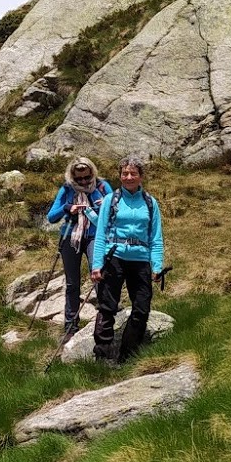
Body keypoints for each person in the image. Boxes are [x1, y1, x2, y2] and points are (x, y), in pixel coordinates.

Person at [90, 156, 165, 364]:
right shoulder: (110, 200)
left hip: (140, 260)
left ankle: (127, 355)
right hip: (114, 258)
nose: (129, 177)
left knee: (141, 308)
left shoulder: (150, 203)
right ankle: (102, 354)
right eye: (124, 173)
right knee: (107, 306)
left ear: (141, 176)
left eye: (133, 173)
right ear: (120, 176)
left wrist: (157, 265)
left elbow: (156, 237)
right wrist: (97, 265)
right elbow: (101, 234)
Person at [46, 157, 111, 337]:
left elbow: (113, 211)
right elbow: (51, 217)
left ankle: (107, 314)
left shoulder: (103, 187)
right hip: (70, 237)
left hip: (94, 236)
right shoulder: (66, 189)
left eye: (86, 178)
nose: (83, 182)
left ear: (92, 174)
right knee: (72, 282)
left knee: (97, 273)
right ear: (72, 177)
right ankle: (70, 325)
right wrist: (68, 208)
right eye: (78, 179)